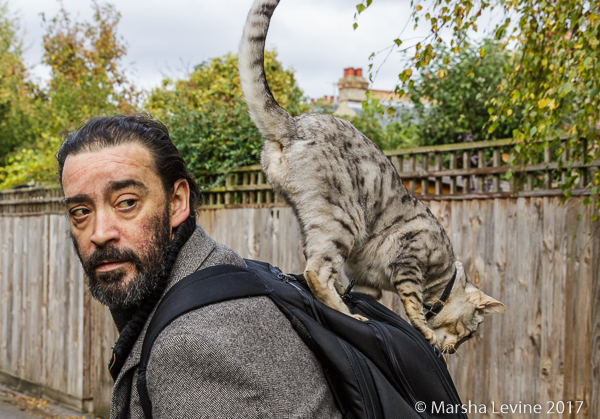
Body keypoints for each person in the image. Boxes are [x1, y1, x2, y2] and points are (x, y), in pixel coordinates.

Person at [57, 114, 342, 418]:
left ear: (177, 202)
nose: (99, 233)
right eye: (81, 211)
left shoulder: (189, 350)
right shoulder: (226, 275)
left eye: (127, 202)